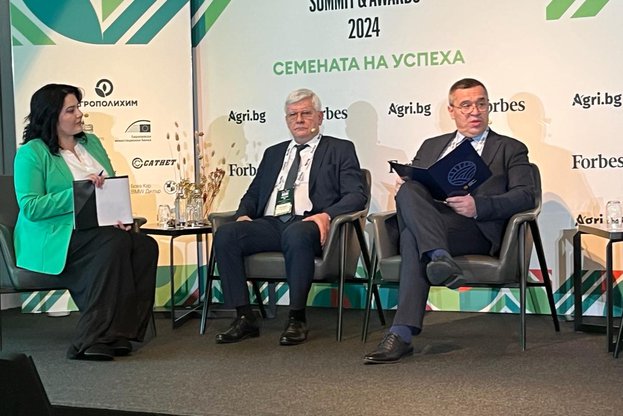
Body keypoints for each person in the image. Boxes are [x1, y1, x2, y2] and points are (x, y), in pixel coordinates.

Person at [363, 78, 536, 364]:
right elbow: (415, 188)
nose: (474, 111)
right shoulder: (432, 146)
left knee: (412, 237)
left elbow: (526, 196)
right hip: (435, 223)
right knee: (408, 189)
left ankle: (402, 332)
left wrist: (477, 206)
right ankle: (438, 256)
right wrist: (404, 186)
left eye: (481, 104)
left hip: (475, 229)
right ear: (451, 110)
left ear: (489, 107)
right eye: (466, 105)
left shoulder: (510, 148)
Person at [13, 83, 159, 361]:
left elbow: (110, 188)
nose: (80, 114)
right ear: (51, 116)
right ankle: (91, 339)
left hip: (98, 230)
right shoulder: (31, 153)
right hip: (54, 236)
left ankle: (120, 332)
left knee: (145, 246)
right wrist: (78, 193)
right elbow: (31, 207)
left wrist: (119, 217)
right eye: (71, 110)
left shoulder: (92, 144)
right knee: (112, 242)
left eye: (78, 108)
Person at [213, 88, 367, 345]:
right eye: (293, 115)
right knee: (227, 233)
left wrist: (326, 215)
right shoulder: (273, 153)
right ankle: (244, 316)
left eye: (306, 113)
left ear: (320, 116)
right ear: (286, 120)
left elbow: (356, 196)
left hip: (309, 222)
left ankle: (297, 317)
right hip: (272, 223)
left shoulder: (339, 149)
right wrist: (243, 215)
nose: (299, 119)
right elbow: (253, 194)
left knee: (297, 233)